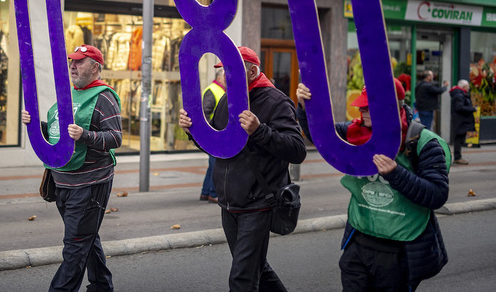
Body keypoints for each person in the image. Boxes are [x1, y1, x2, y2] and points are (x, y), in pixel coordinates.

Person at [296, 78, 450, 291]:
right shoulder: (355, 131)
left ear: (390, 107)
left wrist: (396, 174)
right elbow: (321, 136)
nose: (362, 109)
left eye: (369, 106)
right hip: (358, 244)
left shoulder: (424, 142)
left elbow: (438, 195)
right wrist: (305, 107)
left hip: (399, 251)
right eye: (361, 105)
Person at [178, 46, 306, 292]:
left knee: (241, 278)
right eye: (223, 70)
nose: (225, 75)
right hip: (229, 203)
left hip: (258, 203)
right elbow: (217, 147)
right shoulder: (227, 99)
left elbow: (297, 151)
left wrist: (260, 131)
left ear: (252, 71)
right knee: (256, 268)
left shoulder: (276, 101)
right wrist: (193, 133)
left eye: (231, 70)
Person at [21, 45, 122, 292]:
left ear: (95, 67)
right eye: (72, 62)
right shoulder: (68, 94)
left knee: (75, 244)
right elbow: (59, 133)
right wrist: (38, 126)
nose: (73, 66)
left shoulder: (104, 97)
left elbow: (115, 138)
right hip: (62, 183)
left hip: (89, 185)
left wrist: (85, 135)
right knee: (86, 237)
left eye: (80, 62)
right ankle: (101, 285)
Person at [199, 67, 226, 203]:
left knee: (212, 164)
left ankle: (206, 192)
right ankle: (213, 193)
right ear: (220, 77)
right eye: (225, 75)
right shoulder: (213, 90)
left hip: (217, 133)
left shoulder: (220, 90)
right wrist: (213, 126)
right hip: (215, 134)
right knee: (216, 164)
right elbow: (204, 112)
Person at [450, 79, 476, 165]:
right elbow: (459, 107)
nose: (469, 88)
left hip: (461, 120)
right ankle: (458, 157)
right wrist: (472, 109)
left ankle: (458, 157)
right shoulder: (459, 95)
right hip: (460, 121)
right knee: (459, 139)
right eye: (468, 86)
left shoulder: (459, 94)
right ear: (464, 87)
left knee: (460, 138)